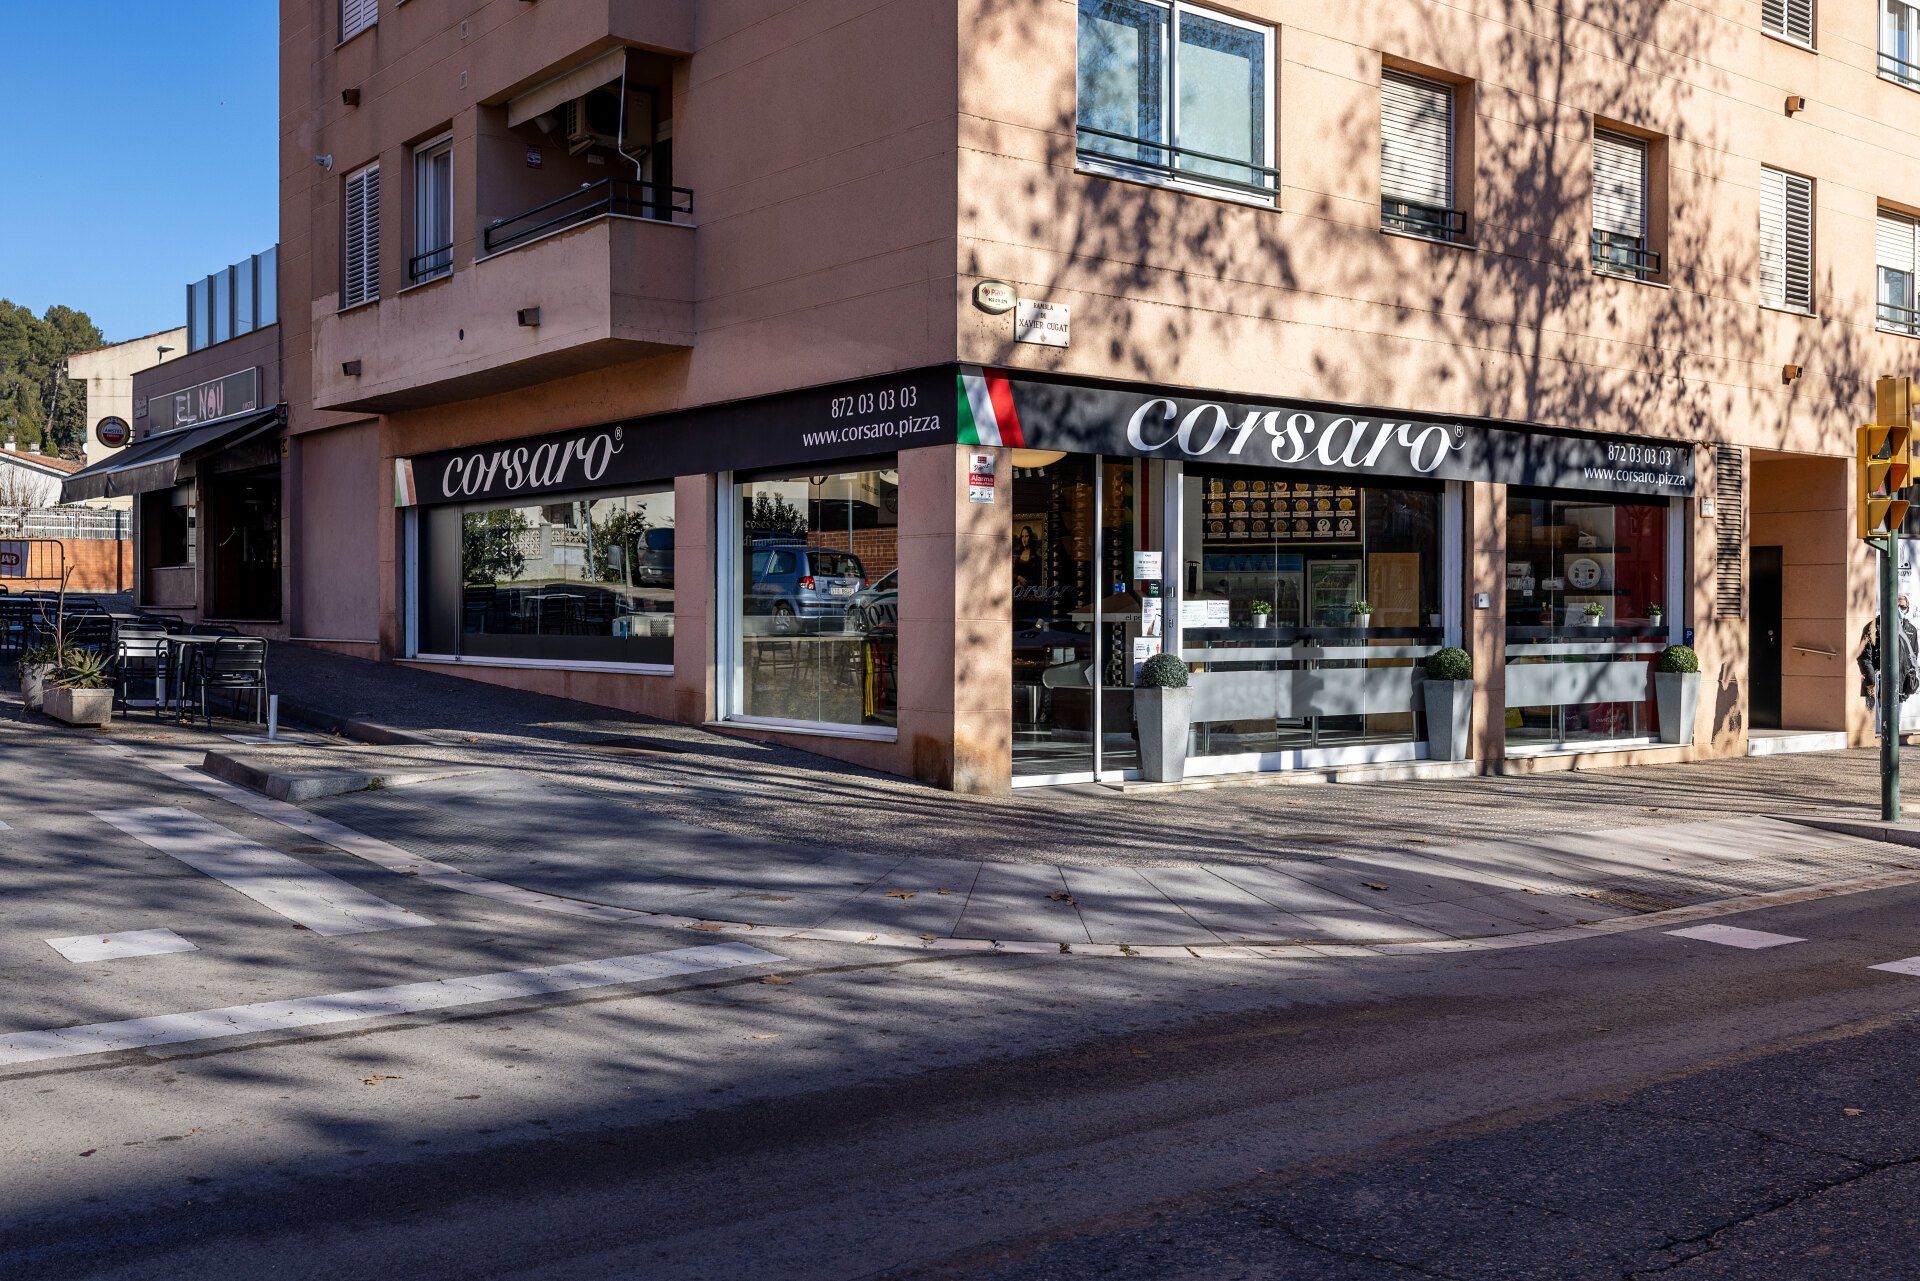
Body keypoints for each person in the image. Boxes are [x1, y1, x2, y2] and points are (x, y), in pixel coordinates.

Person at [1858, 594, 1920, 721]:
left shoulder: (1911, 630)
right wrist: (1872, 683)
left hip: (1901, 686)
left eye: (1902, 607)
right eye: (1895, 606)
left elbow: (1913, 656)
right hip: (1879, 685)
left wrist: (1911, 680)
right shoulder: (1873, 627)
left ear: (1907, 609)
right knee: (1883, 724)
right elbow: (1864, 657)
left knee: (1894, 724)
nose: (1899, 609)